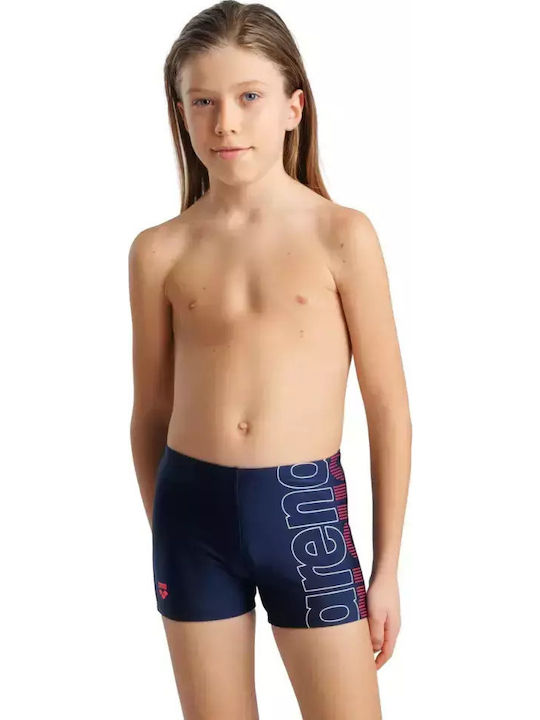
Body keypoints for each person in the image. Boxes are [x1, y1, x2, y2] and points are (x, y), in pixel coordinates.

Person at [128, 2, 412, 718]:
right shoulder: (159, 251)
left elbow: (388, 408)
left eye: (248, 97)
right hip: (190, 517)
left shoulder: (341, 236)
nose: (225, 122)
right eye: (203, 102)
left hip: (304, 509)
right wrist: (168, 531)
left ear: (293, 107)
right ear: (181, 114)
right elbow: (150, 411)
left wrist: (386, 568)